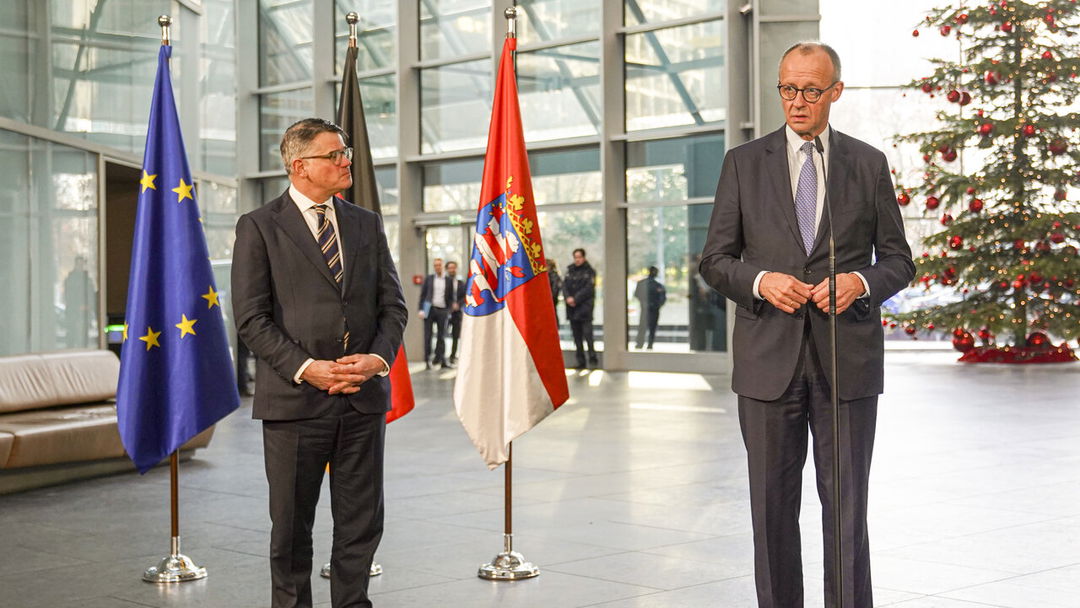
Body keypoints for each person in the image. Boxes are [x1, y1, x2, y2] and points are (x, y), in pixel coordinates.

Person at [698, 42, 914, 607]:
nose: (796, 101)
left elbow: (898, 259)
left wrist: (861, 282)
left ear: (835, 92)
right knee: (771, 512)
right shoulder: (742, 163)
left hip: (848, 364)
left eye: (810, 91)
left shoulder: (867, 164)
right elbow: (714, 261)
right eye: (787, 89)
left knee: (846, 513)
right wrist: (760, 281)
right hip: (768, 363)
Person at [231, 117, 407, 608]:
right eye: (334, 154)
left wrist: (376, 358)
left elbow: (393, 306)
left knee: (361, 521)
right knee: (290, 529)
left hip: (361, 400)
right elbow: (251, 319)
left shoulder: (365, 222)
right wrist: (309, 367)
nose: (345, 160)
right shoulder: (259, 227)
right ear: (299, 165)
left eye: (345, 152)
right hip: (295, 403)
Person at [563, 248, 598, 369]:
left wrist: (575, 299)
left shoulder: (589, 272)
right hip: (572, 310)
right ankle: (580, 361)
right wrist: (568, 298)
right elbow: (565, 287)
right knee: (577, 337)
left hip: (584, 309)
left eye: (579, 257)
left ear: (584, 257)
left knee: (588, 335)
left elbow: (588, 289)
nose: (577, 260)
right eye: (575, 257)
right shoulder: (569, 271)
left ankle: (592, 359)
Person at [418, 257, 453, 369]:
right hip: (430, 310)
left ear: (443, 267)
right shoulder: (429, 279)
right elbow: (423, 296)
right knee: (427, 336)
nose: (437, 267)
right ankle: (427, 361)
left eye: (439, 265)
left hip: (443, 310)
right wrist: (421, 309)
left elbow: (451, 297)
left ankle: (442, 360)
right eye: (435, 265)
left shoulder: (448, 280)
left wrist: (449, 310)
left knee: (441, 336)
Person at [63, 256, 93, 348]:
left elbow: (91, 294)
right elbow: (68, 295)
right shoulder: (70, 279)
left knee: (84, 332)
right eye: (78, 264)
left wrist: (88, 306)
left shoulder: (87, 280)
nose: (80, 266)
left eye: (82, 264)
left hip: (85, 311)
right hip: (73, 311)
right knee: (72, 332)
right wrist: (77, 306)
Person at [633, 266, 666, 350]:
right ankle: (643, 344)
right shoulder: (648, 284)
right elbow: (637, 294)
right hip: (648, 308)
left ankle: (646, 344)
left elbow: (662, 298)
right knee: (645, 327)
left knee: (649, 327)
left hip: (653, 308)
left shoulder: (657, 285)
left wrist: (657, 305)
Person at [445, 260, 464, 365]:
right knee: (442, 334)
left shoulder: (461, 283)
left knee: (456, 336)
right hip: (446, 311)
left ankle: (453, 356)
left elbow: (465, 296)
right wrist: (450, 304)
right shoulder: (444, 282)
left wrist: (458, 305)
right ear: (447, 269)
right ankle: (441, 357)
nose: (452, 269)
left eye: (454, 267)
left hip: (457, 313)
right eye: (450, 268)